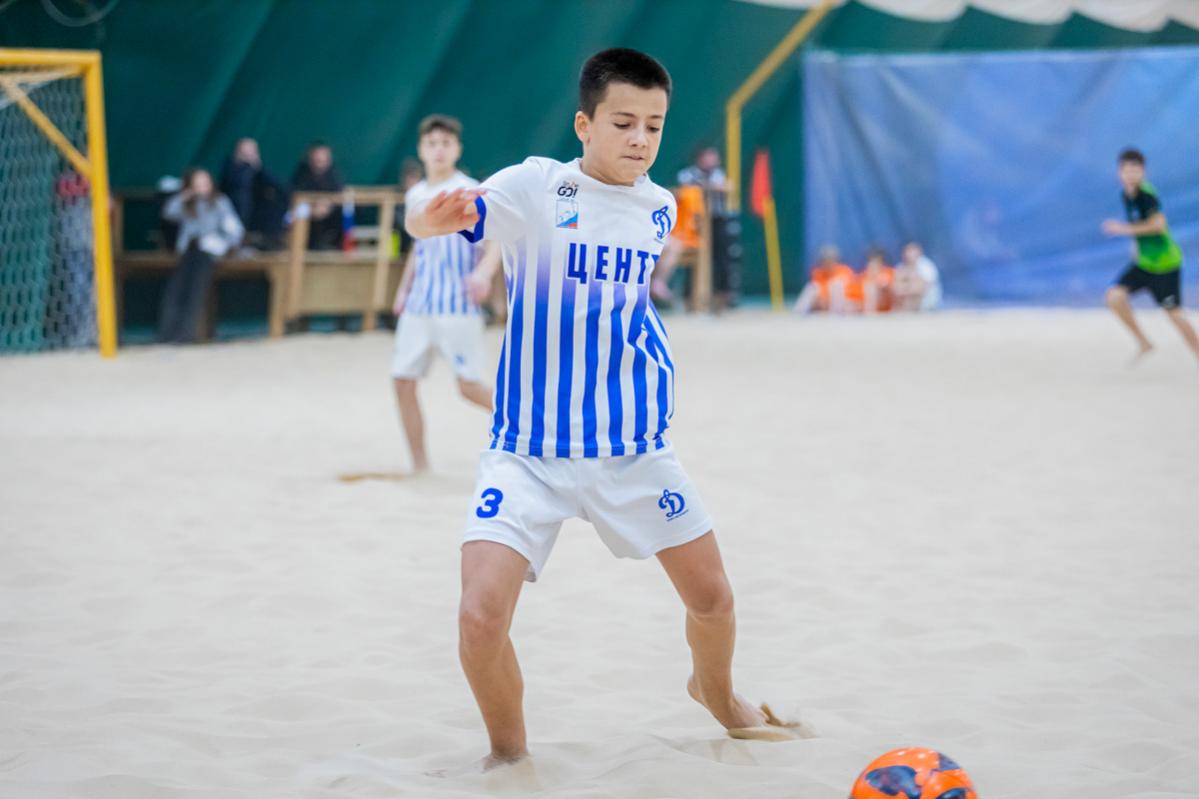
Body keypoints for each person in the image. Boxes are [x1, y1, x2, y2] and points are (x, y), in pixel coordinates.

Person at [405, 47, 799, 770]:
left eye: (654, 125)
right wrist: (427, 222)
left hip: (632, 448)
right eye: (623, 122)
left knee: (713, 601)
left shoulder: (659, 207)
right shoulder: (536, 186)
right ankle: (509, 756)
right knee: (478, 618)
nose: (641, 138)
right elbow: (445, 216)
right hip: (527, 451)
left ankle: (716, 695)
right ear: (584, 125)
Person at [391, 115, 499, 472]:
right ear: (421, 150)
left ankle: (530, 430)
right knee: (402, 380)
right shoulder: (416, 194)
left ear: (457, 149)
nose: (439, 150)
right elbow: (418, 248)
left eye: (446, 143)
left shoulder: (470, 191)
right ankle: (420, 466)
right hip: (419, 304)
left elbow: (497, 239)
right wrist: (403, 290)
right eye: (432, 144)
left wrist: (483, 274)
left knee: (469, 387)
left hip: (458, 304)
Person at [1102, 148, 1199, 362]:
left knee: (1174, 314)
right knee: (1114, 297)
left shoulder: (1146, 195)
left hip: (1165, 265)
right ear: (1119, 172)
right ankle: (1144, 342)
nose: (1130, 175)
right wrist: (1136, 247)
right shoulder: (1127, 194)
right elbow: (1139, 226)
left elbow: (1158, 225)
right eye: (1126, 170)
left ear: (1143, 171)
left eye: (1135, 170)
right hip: (1144, 263)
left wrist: (1122, 229)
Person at [158, 167, 243, 343]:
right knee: (176, 289)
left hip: (209, 253)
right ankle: (167, 333)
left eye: (204, 183)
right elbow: (168, 213)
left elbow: (235, 230)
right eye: (197, 184)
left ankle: (186, 333)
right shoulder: (187, 204)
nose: (201, 188)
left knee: (196, 289)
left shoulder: (220, 202)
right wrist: (183, 197)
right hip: (188, 252)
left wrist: (224, 245)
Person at [652, 145, 728, 305]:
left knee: (720, 259)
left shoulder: (718, 174)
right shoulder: (687, 174)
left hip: (714, 221)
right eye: (707, 156)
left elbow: (725, 186)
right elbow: (683, 190)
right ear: (699, 158)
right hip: (687, 224)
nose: (711, 160)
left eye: (713, 157)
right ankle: (686, 296)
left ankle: (719, 296)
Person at [219, 137, 288, 250]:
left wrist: (259, 169)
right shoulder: (230, 167)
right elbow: (237, 185)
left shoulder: (258, 171)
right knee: (242, 197)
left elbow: (278, 187)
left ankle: (269, 240)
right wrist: (245, 168)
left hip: (257, 212)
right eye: (244, 153)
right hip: (234, 209)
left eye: (251, 153)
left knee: (275, 203)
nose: (248, 157)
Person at [290, 141, 346, 250]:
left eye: (323, 158)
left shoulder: (333, 174)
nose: (320, 161)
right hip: (306, 214)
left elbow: (339, 193)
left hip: (329, 214)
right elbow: (295, 195)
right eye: (317, 158)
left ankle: (335, 247)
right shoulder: (301, 173)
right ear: (310, 158)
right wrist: (312, 209)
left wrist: (327, 206)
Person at [792, 244, 854, 314]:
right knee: (812, 287)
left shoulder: (844, 272)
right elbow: (819, 294)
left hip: (846, 305)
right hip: (825, 304)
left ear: (836, 261)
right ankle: (797, 313)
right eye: (825, 261)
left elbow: (852, 293)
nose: (828, 265)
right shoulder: (818, 273)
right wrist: (822, 300)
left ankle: (836, 315)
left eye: (830, 261)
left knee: (836, 284)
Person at [892, 240, 942, 312]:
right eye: (907, 250)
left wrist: (906, 289)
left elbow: (922, 288)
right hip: (906, 301)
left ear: (919, 252)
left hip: (926, 302)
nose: (909, 254)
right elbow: (896, 288)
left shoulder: (926, 266)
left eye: (912, 251)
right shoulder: (900, 266)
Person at [845, 248, 895, 314]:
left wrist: (881, 284)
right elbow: (851, 297)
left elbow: (893, 290)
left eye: (878, 263)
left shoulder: (888, 273)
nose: (874, 266)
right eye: (872, 262)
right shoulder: (862, 277)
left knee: (873, 287)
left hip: (887, 308)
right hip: (864, 309)